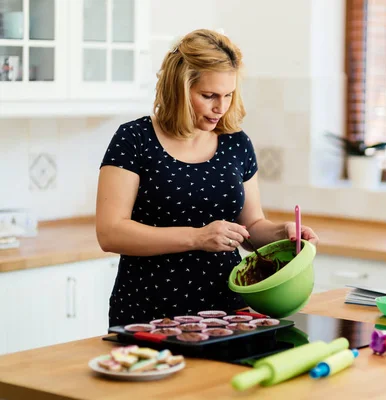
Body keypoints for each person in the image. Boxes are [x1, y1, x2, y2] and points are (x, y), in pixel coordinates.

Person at [96, 29, 319, 327]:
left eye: (228, 95)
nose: (221, 107)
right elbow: (110, 233)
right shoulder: (134, 139)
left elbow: (251, 227)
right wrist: (198, 237)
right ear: (178, 88)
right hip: (149, 312)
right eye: (208, 95)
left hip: (226, 312)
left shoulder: (236, 142)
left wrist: (284, 232)